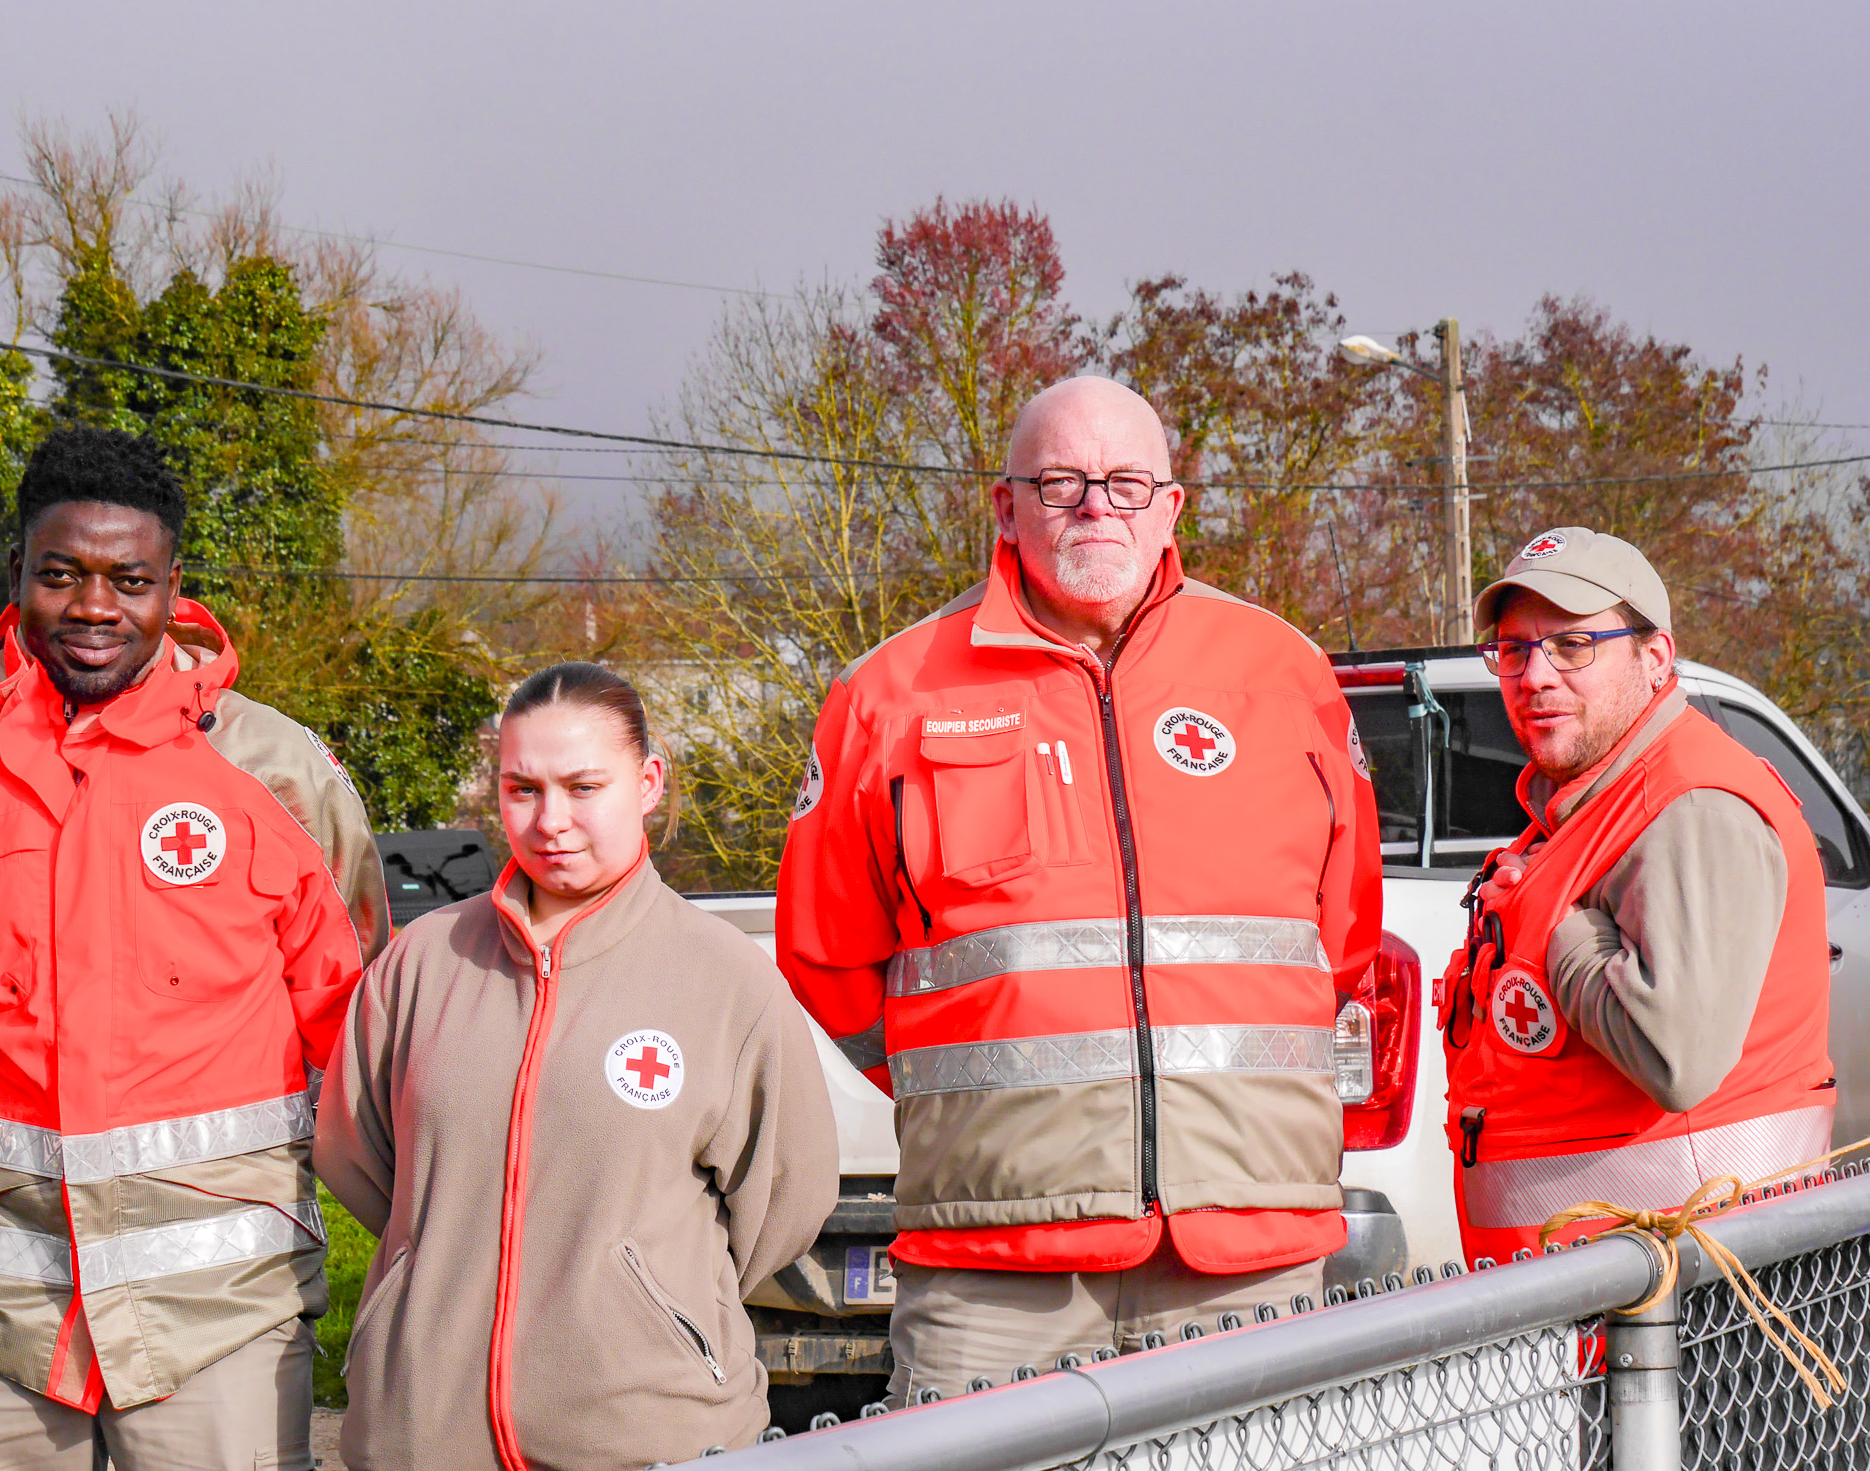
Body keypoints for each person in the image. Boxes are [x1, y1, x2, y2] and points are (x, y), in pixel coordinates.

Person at [777, 376, 1383, 1403]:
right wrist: (990, 1106)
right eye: (1059, 483)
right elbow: (828, 957)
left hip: (1245, 1249)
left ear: (1170, 507)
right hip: (992, 1271)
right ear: (1003, 506)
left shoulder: (1283, 675)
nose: (1096, 506)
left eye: (1123, 482)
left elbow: (1340, 937)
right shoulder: (886, 696)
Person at [0, 425, 388, 1470]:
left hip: (219, 1322)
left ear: (172, 586)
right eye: (61, 574)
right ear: (16, 576)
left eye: (128, 579)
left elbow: (357, 1027)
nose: (94, 607)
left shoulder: (279, 778)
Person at [316, 662, 838, 1470]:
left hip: (651, 1438)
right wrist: (433, 1261)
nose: (551, 820)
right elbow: (358, 1156)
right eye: (522, 788)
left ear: (649, 781)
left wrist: (654, 1301)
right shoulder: (421, 964)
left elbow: (786, 1200)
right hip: (423, 1433)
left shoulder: (725, 978)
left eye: (583, 786)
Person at [1443, 527, 1834, 1266]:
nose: (1535, 676)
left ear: (1655, 660)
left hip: (1692, 1305)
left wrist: (1562, 933)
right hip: (1604, 1290)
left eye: (1572, 646)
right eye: (1514, 650)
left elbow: (1674, 1057)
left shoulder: (1691, 806)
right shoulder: (1587, 806)